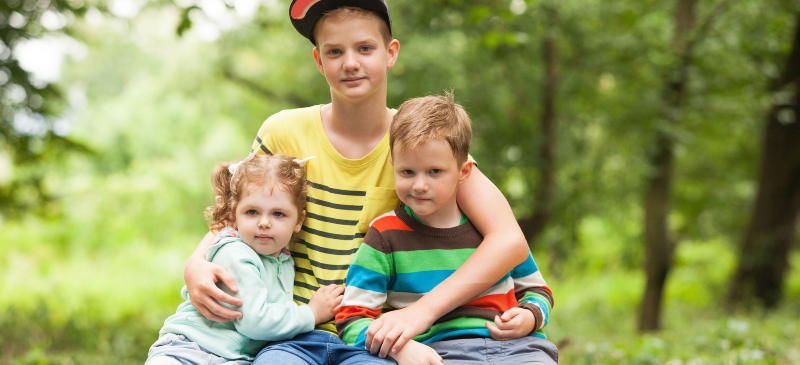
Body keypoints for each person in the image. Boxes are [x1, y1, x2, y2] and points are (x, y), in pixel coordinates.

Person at [182, 0, 532, 363]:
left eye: (365, 48)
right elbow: (235, 217)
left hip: (375, 338)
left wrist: (420, 312)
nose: (350, 63)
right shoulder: (283, 131)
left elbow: (508, 240)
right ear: (319, 60)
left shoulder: (420, 143)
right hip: (291, 334)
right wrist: (195, 263)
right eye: (335, 51)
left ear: (390, 53)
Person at [335, 93, 558, 364]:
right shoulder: (384, 236)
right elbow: (352, 320)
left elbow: (538, 290)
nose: (419, 185)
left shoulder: (489, 230)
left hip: (518, 349)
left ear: (463, 172)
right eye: (408, 172)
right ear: (393, 166)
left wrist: (530, 316)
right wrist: (398, 348)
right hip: (439, 352)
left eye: (434, 172)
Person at [145, 154, 345, 364]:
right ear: (234, 214)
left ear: (299, 220)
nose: (264, 223)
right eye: (252, 212)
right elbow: (255, 322)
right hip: (189, 348)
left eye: (278, 214)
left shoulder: (284, 261)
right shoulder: (234, 252)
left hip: (234, 358)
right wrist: (311, 313)